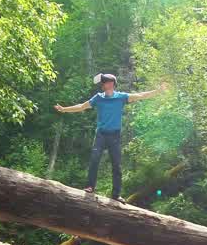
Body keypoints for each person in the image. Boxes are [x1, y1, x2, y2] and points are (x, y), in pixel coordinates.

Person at [55, 72, 168, 201]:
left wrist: (159, 91)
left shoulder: (121, 97)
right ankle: (90, 187)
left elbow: (141, 95)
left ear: (112, 84)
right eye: (103, 83)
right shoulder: (98, 97)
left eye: (106, 82)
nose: (104, 85)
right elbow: (82, 106)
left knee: (117, 165)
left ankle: (116, 195)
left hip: (114, 135)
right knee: (94, 159)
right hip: (101, 134)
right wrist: (64, 109)